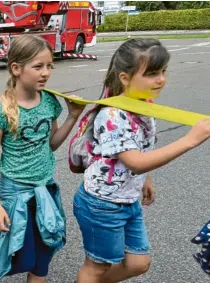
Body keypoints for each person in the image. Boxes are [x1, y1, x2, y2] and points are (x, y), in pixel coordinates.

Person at [73, 38, 210, 283]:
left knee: (138, 263)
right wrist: (190, 140)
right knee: (97, 266)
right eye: (152, 73)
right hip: (102, 204)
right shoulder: (113, 115)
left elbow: (142, 149)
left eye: (163, 71)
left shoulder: (143, 105)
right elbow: (135, 161)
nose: (161, 80)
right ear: (125, 77)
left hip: (127, 200)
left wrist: (146, 179)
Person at [0, 35, 85, 283]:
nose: (46, 73)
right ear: (16, 68)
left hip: (45, 190)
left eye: (49, 66)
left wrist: (73, 117)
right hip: (14, 193)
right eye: (38, 66)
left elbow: (52, 144)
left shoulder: (49, 102)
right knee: (20, 255)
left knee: (42, 257)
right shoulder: (1, 113)